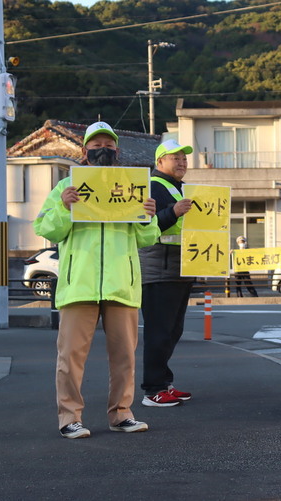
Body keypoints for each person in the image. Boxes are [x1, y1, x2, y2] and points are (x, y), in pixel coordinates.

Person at [34, 121, 160, 439]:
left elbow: (147, 237)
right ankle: (69, 417)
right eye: (96, 144)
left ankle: (121, 414)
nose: (102, 148)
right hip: (80, 285)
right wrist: (63, 207)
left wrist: (148, 216)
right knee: (70, 357)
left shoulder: (133, 188)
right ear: (84, 151)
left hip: (121, 284)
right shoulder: (65, 188)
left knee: (124, 356)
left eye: (108, 144)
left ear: (117, 151)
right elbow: (46, 229)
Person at [139, 139, 196, 407]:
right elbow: (147, 225)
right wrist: (174, 211)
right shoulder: (154, 185)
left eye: (184, 158)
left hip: (177, 269)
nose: (182, 162)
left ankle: (164, 382)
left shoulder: (175, 187)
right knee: (159, 332)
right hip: (158, 269)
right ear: (160, 161)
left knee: (172, 331)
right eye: (176, 158)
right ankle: (153, 390)